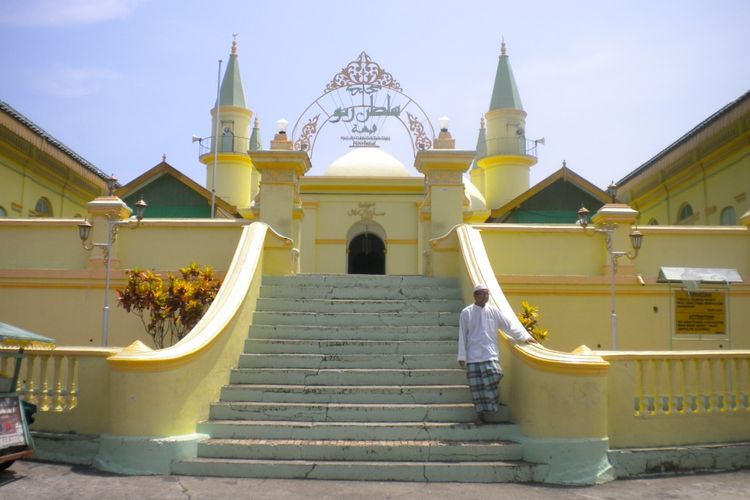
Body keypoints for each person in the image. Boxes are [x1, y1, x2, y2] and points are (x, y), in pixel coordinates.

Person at [458, 283, 538, 425]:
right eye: (482, 293)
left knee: (495, 374)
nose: (486, 296)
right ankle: (480, 415)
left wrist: (525, 337)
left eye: (487, 293)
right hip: (473, 356)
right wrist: (462, 356)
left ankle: (492, 403)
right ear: (475, 295)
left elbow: (509, 326)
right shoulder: (466, 313)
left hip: (490, 354)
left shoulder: (494, 311)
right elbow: (462, 335)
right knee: (477, 388)